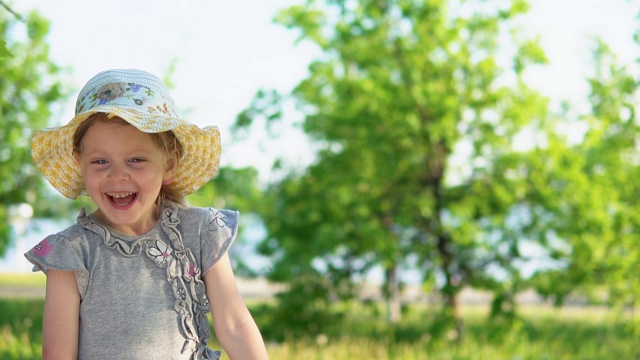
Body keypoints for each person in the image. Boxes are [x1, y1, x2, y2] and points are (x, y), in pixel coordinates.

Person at [24, 68, 270, 360]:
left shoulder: (201, 232)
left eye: (136, 160)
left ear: (169, 163)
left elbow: (235, 325)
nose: (118, 176)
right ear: (80, 164)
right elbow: (58, 354)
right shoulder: (72, 252)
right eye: (101, 161)